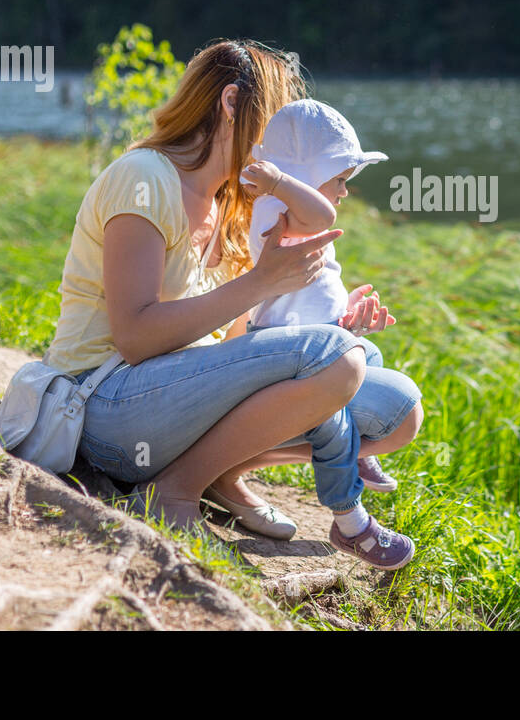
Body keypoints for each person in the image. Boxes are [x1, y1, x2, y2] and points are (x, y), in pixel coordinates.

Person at [42, 40, 421, 570]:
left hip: (176, 408)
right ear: (229, 104)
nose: (278, 146)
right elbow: (134, 337)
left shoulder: (232, 206)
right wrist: (262, 284)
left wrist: (328, 323)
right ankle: (172, 490)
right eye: (273, 123)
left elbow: (235, 348)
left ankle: (217, 471)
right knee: (338, 359)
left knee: (397, 410)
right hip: (104, 405)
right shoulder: (145, 180)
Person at [240, 99, 404, 499]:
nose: (345, 191)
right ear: (304, 175)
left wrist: (343, 311)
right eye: (339, 179)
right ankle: (347, 510)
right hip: (287, 348)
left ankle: (360, 455)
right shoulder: (274, 208)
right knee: (335, 420)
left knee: (371, 356)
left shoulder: (294, 209)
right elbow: (322, 217)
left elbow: (306, 288)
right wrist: (279, 181)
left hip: (317, 335)